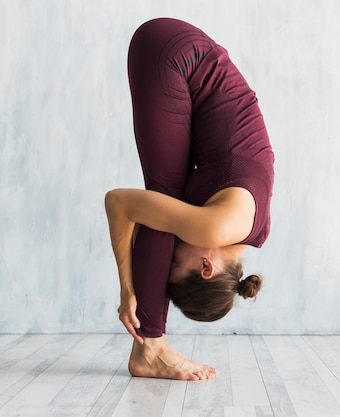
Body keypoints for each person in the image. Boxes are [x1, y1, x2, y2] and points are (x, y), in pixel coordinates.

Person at [105, 18, 274, 380]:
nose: (171, 255)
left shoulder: (250, 231)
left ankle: (150, 345)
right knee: (160, 208)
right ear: (206, 266)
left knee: (164, 207)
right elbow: (118, 202)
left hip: (179, 50)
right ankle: (149, 347)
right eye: (174, 266)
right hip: (175, 54)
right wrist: (126, 289)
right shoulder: (215, 227)